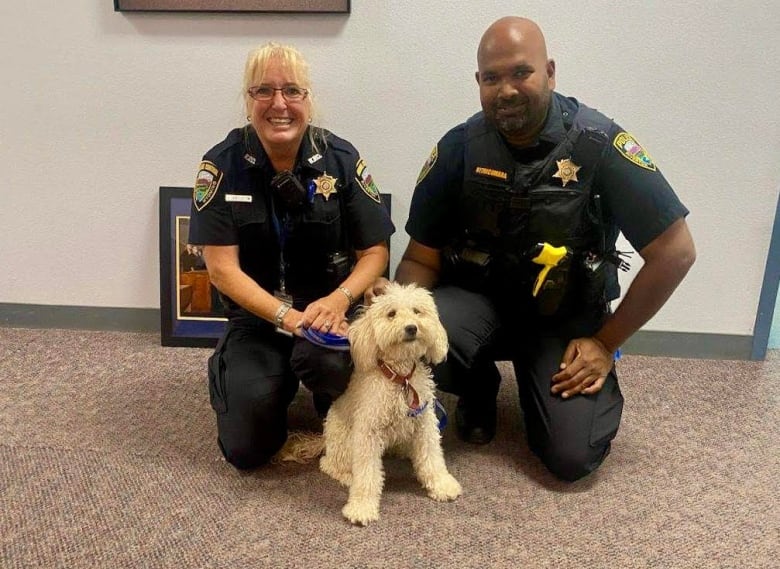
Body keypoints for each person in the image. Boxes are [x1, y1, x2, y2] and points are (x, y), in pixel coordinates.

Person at [372, 17, 695, 482]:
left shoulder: (598, 144)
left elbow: (675, 251)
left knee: (571, 458)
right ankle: (478, 388)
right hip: (476, 303)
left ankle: (539, 383)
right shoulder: (459, 148)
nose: (506, 90)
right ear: (478, 82)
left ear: (550, 71)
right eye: (492, 78)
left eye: (520, 73)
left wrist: (606, 343)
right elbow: (423, 256)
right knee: (412, 342)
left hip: (562, 315)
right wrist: (394, 309)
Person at [188, 42, 395, 470]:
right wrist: (289, 319)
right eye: (263, 91)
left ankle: (324, 391)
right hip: (260, 320)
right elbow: (222, 270)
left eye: (292, 91)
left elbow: (375, 252)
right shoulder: (221, 165)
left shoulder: (340, 160)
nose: (278, 104)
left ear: (308, 100)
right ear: (248, 102)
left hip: (329, 314)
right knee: (246, 450)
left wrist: (339, 300)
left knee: (336, 376)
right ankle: (244, 378)